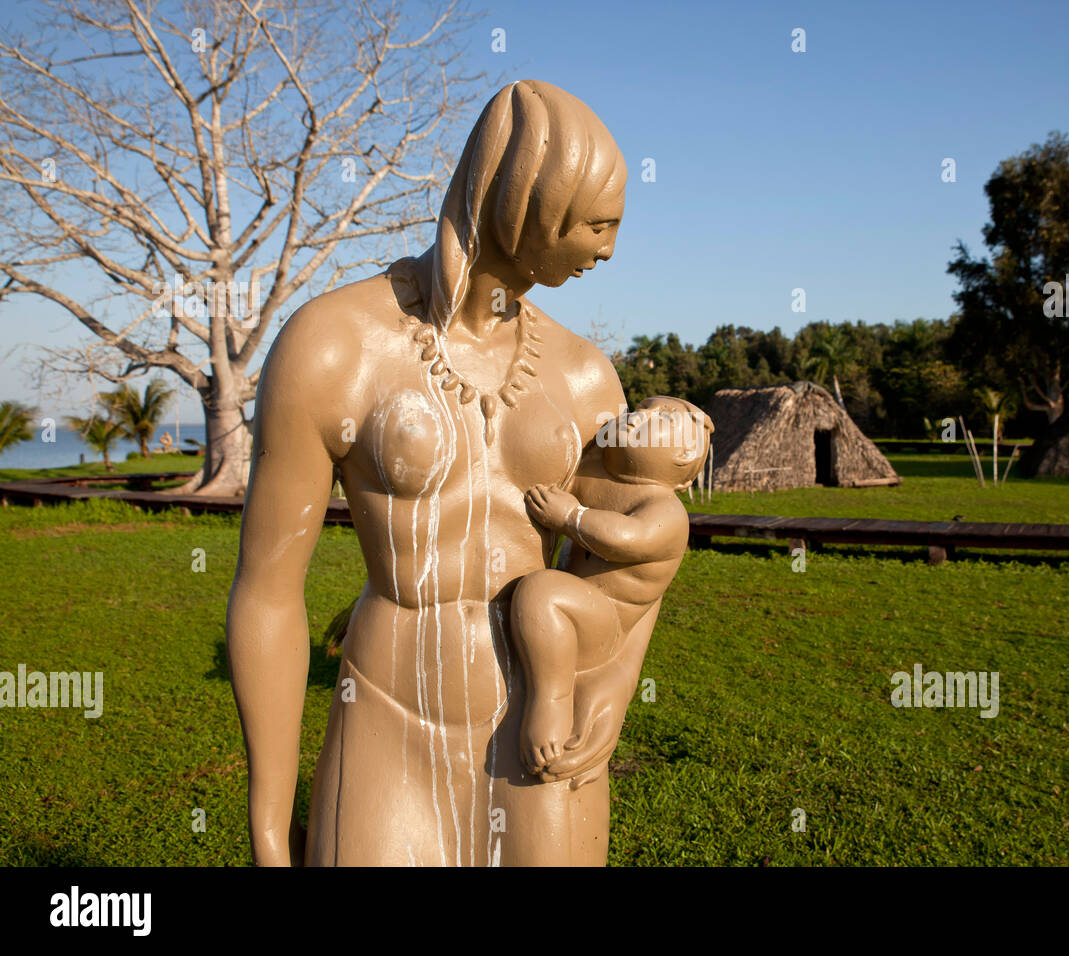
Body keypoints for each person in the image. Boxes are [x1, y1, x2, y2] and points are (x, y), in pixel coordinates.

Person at [227, 79, 636, 866]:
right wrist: (270, 827)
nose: (609, 250)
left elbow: (638, 562)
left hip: (539, 717)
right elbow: (268, 593)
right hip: (387, 706)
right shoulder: (333, 345)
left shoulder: (586, 378)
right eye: (598, 224)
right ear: (526, 206)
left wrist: (614, 684)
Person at [511, 397, 713, 774]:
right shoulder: (595, 473)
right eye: (642, 406)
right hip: (578, 607)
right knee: (545, 596)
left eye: (662, 418)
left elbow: (627, 537)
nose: (640, 415)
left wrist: (572, 516)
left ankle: (552, 702)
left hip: (603, 626)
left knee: (543, 594)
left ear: (685, 455)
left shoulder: (665, 510)